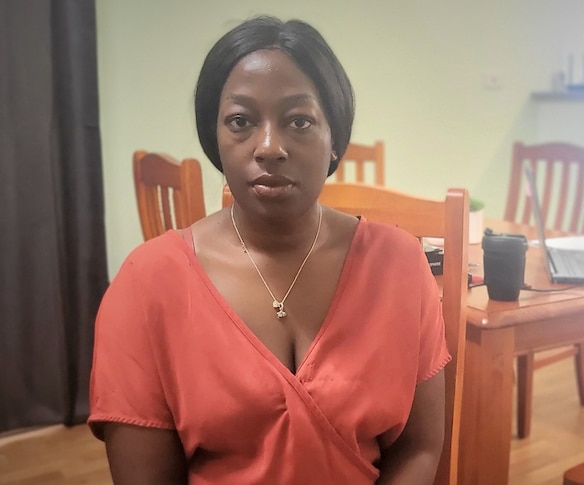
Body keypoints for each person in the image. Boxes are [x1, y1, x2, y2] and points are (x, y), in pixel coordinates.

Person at [88, 16, 449, 484]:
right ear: (214, 137)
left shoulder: (400, 264)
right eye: (240, 121)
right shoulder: (146, 285)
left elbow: (420, 447)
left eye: (299, 121)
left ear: (335, 137)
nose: (269, 147)